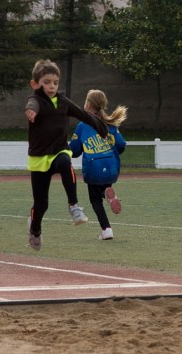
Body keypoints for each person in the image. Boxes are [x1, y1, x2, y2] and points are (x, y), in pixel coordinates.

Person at [25, 59, 108, 251]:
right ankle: (35, 229)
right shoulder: (35, 100)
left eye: (55, 82)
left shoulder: (62, 102)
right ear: (35, 84)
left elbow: (83, 114)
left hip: (59, 150)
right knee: (41, 204)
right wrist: (30, 111)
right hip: (39, 158)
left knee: (65, 160)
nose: (52, 86)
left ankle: (74, 206)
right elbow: (32, 104)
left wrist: (102, 129)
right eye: (46, 82)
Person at [70, 89, 128, 241]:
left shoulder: (82, 126)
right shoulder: (111, 125)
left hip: (93, 168)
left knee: (94, 199)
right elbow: (121, 145)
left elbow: (74, 151)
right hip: (111, 167)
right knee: (102, 188)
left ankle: (106, 229)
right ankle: (108, 195)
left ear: (88, 104)